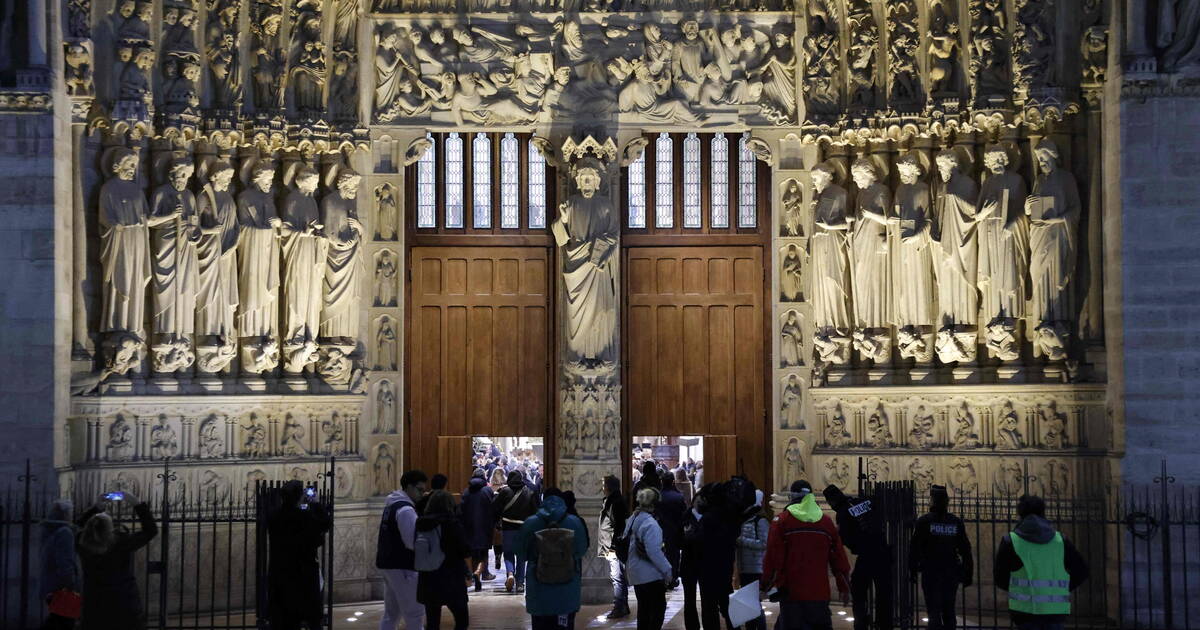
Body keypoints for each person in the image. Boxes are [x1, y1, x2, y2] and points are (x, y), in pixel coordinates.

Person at [762, 481, 851, 630]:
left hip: (791, 594)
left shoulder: (782, 521)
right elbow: (839, 559)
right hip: (819, 593)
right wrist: (844, 587)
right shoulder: (826, 522)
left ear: (791, 497)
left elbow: (773, 557)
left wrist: (765, 585)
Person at [994, 495, 1089, 630]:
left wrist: (1018, 589)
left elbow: (999, 578)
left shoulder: (1011, 541)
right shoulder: (1060, 540)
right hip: (1055, 612)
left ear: (1020, 513)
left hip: (1024, 612)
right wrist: (1062, 588)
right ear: (1043, 512)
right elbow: (1082, 571)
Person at [77, 493, 158, 630]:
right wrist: (136, 504)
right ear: (110, 529)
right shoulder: (120, 543)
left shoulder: (82, 543)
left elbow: (76, 525)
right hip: (122, 601)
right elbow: (151, 530)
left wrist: (95, 508)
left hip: (95, 600)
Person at [514, 492, 590, 630]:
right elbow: (582, 550)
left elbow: (520, 553)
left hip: (538, 589)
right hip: (567, 587)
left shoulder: (530, 522)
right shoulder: (574, 522)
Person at [824, 484, 892, 630]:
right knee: (884, 593)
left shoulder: (842, 513)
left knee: (859, 590)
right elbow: (877, 514)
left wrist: (840, 536)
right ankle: (884, 624)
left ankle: (861, 623)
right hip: (883, 550)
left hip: (867, 554)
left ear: (832, 501)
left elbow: (847, 538)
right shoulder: (862, 501)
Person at [266, 481, 331, 630]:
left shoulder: (273, 517)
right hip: (303, 576)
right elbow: (325, 524)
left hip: (280, 576)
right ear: (299, 496)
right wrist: (315, 504)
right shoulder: (304, 517)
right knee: (312, 619)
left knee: (284, 622)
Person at [910, 485, 974, 630]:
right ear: (947, 501)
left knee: (933, 611)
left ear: (932, 500)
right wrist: (968, 573)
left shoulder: (924, 522)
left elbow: (914, 549)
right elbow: (965, 550)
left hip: (930, 572)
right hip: (950, 573)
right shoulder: (955, 522)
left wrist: (912, 570)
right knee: (948, 610)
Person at [681, 484, 738, 630]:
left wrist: (689, 537)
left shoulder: (709, 518)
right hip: (723, 565)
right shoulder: (730, 514)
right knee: (725, 603)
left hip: (709, 567)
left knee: (710, 606)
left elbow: (701, 541)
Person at [378, 470, 428, 630]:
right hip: (403, 566)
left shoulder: (392, 504)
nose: (422, 494)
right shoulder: (406, 510)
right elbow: (412, 542)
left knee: (391, 614)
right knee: (414, 613)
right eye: (419, 490)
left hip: (388, 563)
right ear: (408, 487)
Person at [416, 490, 471, 630]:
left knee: (432, 622)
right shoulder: (452, 524)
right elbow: (464, 550)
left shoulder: (421, 523)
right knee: (461, 620)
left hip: (428, 576)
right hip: (451, 575)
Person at [624, 488, 676, 630]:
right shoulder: (651, 524)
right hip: (649, 574)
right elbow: (654, 552)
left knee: (644, 611)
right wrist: (668, 570)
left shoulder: (632, 518)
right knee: (657, 611)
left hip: (635, 571)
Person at [494, 469, 537, 592]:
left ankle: (510, 573)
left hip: (507, 528)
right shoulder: (529, 492)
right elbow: (535, 511)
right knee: (522, 556)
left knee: (508, 553)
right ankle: (520, 583)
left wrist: (497, 522)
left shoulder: (504, 492)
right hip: (524, 528)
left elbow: (495, 508)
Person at [40, 500, 78, 630]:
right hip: (61, 587)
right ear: (65, 514)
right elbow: (65, 562)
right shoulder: (65, 533)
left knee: (58, 621)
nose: (72, 515)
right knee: (63, 623)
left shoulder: (50, 531)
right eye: (71, 512)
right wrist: (70, 585)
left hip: (51, 585)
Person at [736, 490, 770, 630]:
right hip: (745, 568)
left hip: (756, 568)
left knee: (755, 605)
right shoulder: (744, 519)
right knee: (749, 605)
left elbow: (764, 544)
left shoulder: (760, 520)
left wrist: (742, 541)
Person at [598, 475, 630, 619]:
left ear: (609, 487)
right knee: (618, 576)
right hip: (613, 545)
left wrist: (613, 547)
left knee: (617, 577)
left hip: (614, 547)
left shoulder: (615, 502)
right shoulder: (613, 501)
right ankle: (623, 605)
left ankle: (619, 606)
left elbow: (619, 526)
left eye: (604, 485)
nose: (602, 488)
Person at [461, 469, 497, 591]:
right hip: (485, 525)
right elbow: (494, 507)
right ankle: (482, 572)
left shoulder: (466, 491)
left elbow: (461, 509)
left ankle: (471, 575)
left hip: (469, 526)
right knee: (483, 552)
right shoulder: (487, 490)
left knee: (472, 553)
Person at [657, 470, 688, 580]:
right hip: (675, 531)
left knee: (660, 555)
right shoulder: (678, 496)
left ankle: (663, 578)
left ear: (662, 482)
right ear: (673, 482)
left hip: (659, 531)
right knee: (674, 556)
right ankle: (673, 577)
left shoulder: (658, 496)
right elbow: (684, 514)